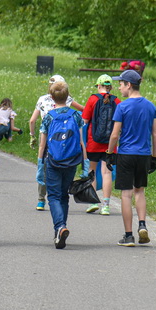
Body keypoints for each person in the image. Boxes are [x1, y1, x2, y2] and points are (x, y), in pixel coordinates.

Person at [106, 69, 156, 247]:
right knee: (140, 191)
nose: (119, 88)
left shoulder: (122, 107)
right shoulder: (150, 106)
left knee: (126, 195)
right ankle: (142, 225)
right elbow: (155, 134)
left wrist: (109, 153)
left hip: (126, 154)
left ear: (129, 85)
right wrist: (154, 157)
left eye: (121, 84)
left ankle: (128, 235)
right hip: (144, 155)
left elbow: (115, 135)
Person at [37, 81, 89, 249]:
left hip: (53, 160)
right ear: (68, 97)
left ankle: (60, 227)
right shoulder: (76, 116)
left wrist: (40, 165)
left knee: (53, 196)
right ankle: (60, 229)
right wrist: (85, 165)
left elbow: (42, 145)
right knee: (64, 195)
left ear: (52, 98)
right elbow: (81, 142)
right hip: (72, 160)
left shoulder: (49, 117)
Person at [28, 75, 84, 211]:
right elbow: (83, 109)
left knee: (45, 167)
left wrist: (32, 135)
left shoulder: (42, 99)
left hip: (46, 136)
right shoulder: (68, 99)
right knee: (63, 164)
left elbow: (32, 120)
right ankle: (61, 195)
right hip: (66, 137)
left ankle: (41, 200)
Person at [82, 74, 121, 215]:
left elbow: (85, 120)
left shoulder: (92, 99)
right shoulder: (117, 101)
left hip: (93, 142)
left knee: (92, 171)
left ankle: (93, 202)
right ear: (111, 87)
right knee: (107, 172)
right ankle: (106, 205)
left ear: (99, 86)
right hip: (110, 143)